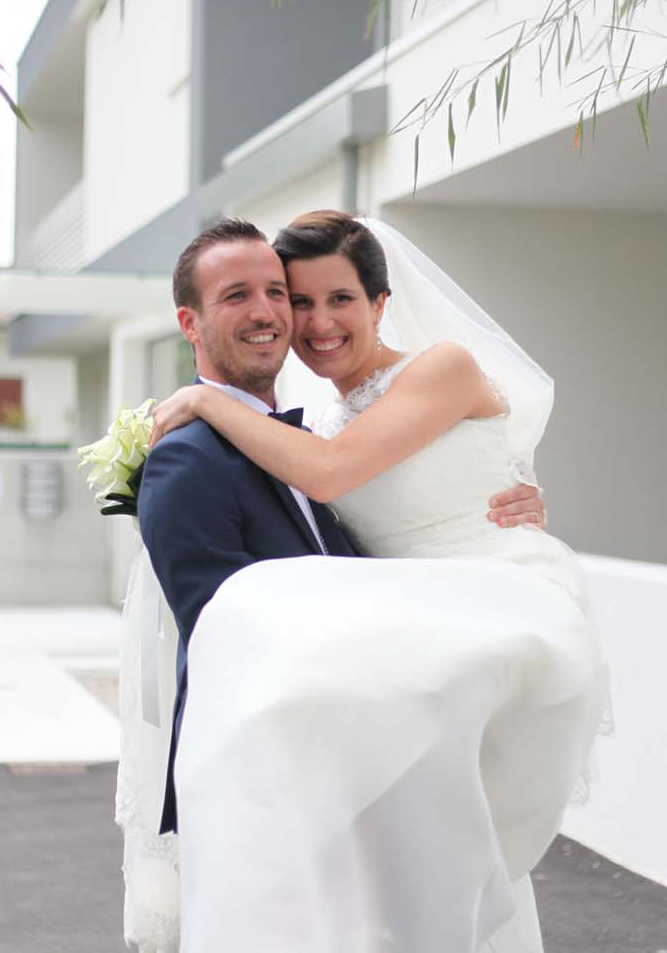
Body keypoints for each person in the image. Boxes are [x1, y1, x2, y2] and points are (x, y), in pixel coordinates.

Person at [122, 214, 602, 952]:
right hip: (364, 700)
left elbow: (338, 477)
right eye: (299, 299)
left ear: (380, 303)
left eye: (334, 298)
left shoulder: (431, 373)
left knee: (445, 888)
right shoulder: (306, 426)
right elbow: (228, 619)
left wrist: (202, 397)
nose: (311, 321)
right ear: (191, 321)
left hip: (468, 631)